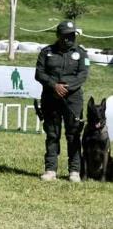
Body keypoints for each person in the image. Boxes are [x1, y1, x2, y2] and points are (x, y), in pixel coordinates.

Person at [34, 20, 89, 182]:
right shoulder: (47, 52)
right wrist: (54, 86)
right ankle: (50, 170)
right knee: (52, 134)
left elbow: (83, 75)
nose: (69, 39)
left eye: (72, 35)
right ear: (58, 36)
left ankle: (74, 171)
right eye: (66, 35)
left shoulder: (81, 53)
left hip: (73, 99)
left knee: (73, 134)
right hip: (51, 98)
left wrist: (66, 87)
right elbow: (39, 73)